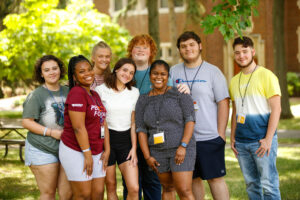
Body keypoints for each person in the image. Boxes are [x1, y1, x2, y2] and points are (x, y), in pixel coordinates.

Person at [170, 31, 230, 200]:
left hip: (209, 137)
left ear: (199, 46)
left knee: (215, 179)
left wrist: (220, 134)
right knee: (193, 180)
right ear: (179, 50)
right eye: (183, 46)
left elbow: (223, 103)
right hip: (184, 141)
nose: (188, 49)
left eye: (191, 45)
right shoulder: (173, 72)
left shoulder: (213, 72)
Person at [229, 36, 281, 199]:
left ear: (253, 51)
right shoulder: (233, 81)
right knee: (251, 185)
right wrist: (232, 137)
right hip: (242, 143)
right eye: (237, 53)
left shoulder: (267, 75)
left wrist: (268, 139)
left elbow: (277, 109)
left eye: (245, 51)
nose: (241, 56)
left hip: (262, 142)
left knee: (269, 185)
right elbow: (236, 109)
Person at [136, 60, 196, 200]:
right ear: (150, 75)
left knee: (184, 190)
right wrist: (147, 156)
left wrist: (183, 146)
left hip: (181, 149)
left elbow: (190, 120)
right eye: (155, 73)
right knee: (167, 188)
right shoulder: (142, 100)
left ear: (168, 76)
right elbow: (141, 129)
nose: (159, 77)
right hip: (157, 151)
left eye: (163, 74)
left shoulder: (180, 94)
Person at [59, 55, 110, 200]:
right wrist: (87, 154)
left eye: (89, 69)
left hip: (97, 150)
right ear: (74, 77)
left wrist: (107, 149)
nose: (88, 73)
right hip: (76, 149)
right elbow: (78, 128)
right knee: (83, 195)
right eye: (82, 71)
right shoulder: (76, 93)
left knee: (98, 193)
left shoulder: (94, 94)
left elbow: (103, 122)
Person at [22, 55, 72, 200]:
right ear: (41, 74)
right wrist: (50, 132)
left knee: (67, 194)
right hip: (42, 148)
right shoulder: (36, 95)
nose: (51, 72)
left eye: (54, 68)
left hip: (66, 148)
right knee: (48, 193)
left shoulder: (68, 90)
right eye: (47, 70)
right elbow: (26, 122)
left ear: (60, 69)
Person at [95, 58, 140, 200]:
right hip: (105, 141)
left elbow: (133, 123)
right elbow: (99, 120)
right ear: (116, 69)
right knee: (111, 186)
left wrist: (134, 148)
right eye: (125, 70)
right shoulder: (100, 90)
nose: (127, 74)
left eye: (131, 73)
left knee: (134, 188)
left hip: (126, 141)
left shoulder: (134, 92)